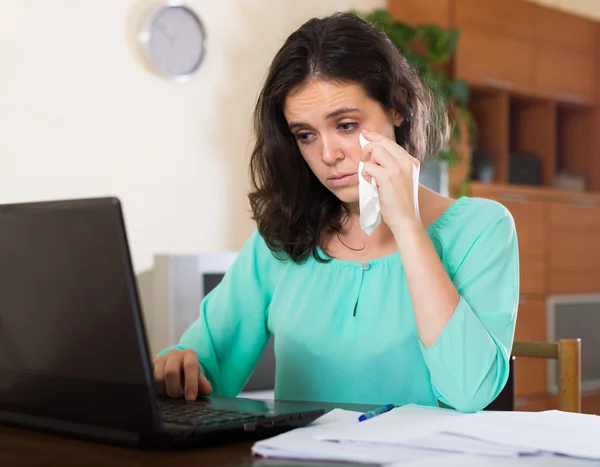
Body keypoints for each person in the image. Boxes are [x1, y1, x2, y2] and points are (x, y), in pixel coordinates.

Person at [153, 12, 519, 413]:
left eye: (345, 125)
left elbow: (470, 392)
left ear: (397, 107)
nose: (327, 155)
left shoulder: (482, 228)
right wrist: (179, 367)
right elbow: (203, 372)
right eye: (305, 135)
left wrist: (407, 226)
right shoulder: (282, 236)